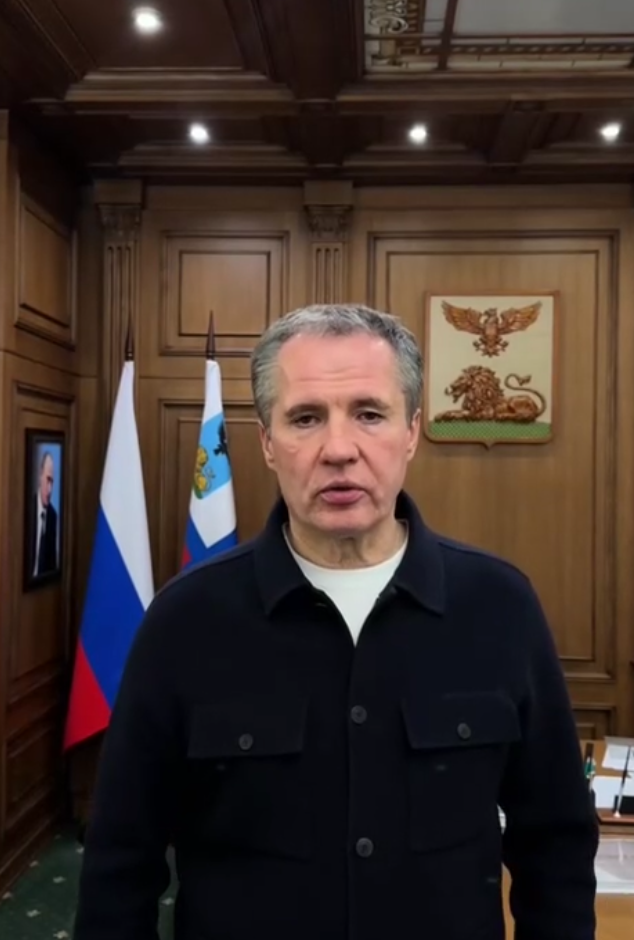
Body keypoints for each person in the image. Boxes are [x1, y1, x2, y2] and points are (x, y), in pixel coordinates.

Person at [73, 304, 598, 940]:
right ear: (267, 442)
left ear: (412, 431)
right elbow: (120, 862)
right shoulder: (185, 620)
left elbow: (555, 844)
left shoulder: (500, 606)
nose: (339, 450)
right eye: (306, 418)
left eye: (370, 414)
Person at [32, 450, 58, 577]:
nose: (50, 489)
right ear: (40, 475)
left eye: (52, 482)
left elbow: (51, 566)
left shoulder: (53, 517)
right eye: (48, 480)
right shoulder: (27, 507)